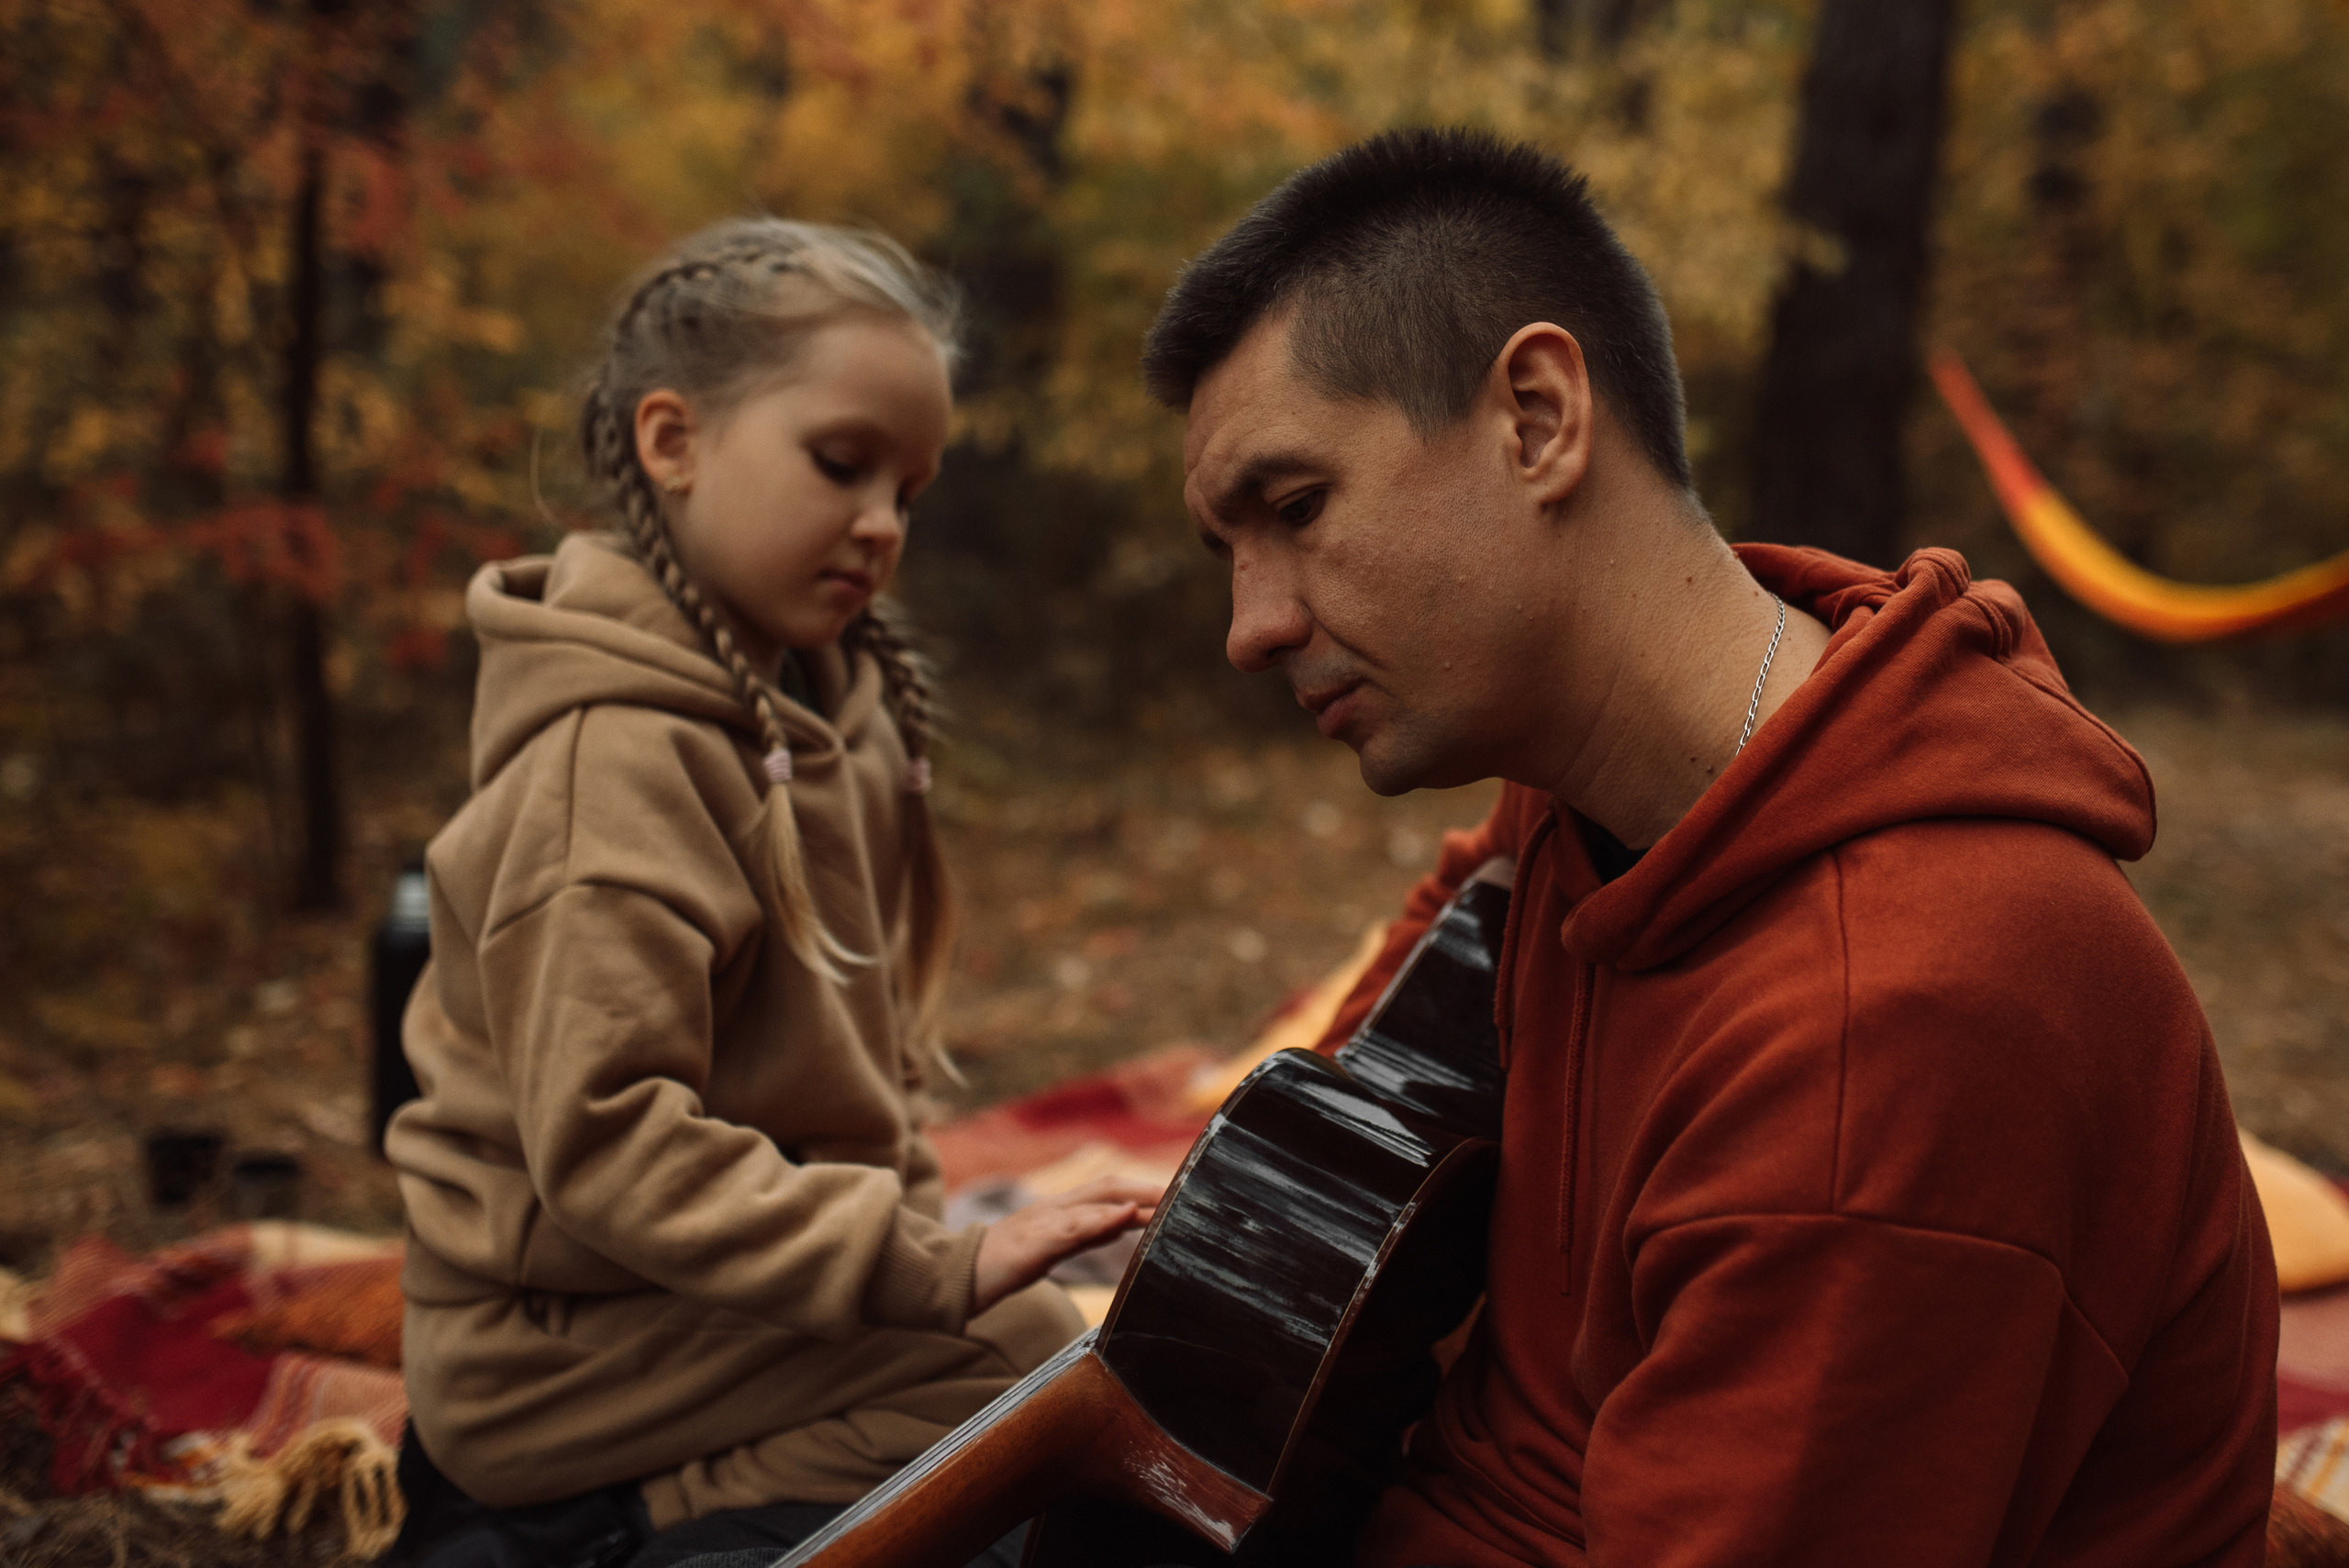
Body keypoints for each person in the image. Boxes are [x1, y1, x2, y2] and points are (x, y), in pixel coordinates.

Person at [1142, 128, 2279, 1567]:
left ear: (1540, 417)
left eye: (1297, 511)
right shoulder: (1591, 784)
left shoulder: (1899, 1025)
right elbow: (1366, 1107)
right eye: (1229, 551)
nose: (1251, 628)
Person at [383, 217, 1158, 1568]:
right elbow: (610, 1140)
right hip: (558, 1350)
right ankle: (604, 1529)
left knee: (1054, 1367)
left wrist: (919, 1243)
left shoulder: (816, 709)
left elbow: (851, 1082)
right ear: (671, 443)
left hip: (707, 1290)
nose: (880, 525)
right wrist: (931, 1268)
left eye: (908, 491)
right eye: (841, 464)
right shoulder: (614, 763)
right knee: (1024, 1364)